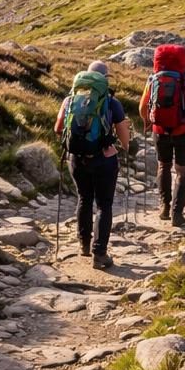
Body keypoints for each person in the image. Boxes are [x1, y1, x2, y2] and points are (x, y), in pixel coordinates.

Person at [53, 60, 130, 269]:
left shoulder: (70, 99)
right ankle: (100, 254)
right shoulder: (111, 102)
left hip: (76, 158)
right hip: (104, 159)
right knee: (104, 205)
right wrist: (123, 147)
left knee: (84, 198)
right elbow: (123, 134)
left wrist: (79, 141)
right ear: (105, 79)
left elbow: (58, 128)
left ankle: (84, 245)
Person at [138, 43, 185, 227]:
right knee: (182, 171)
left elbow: (142, 108)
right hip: (183, 130)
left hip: (160, 131)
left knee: (163, 166)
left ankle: (164, 207)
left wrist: (148, 122)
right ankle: (177, 213)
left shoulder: (152, 81)